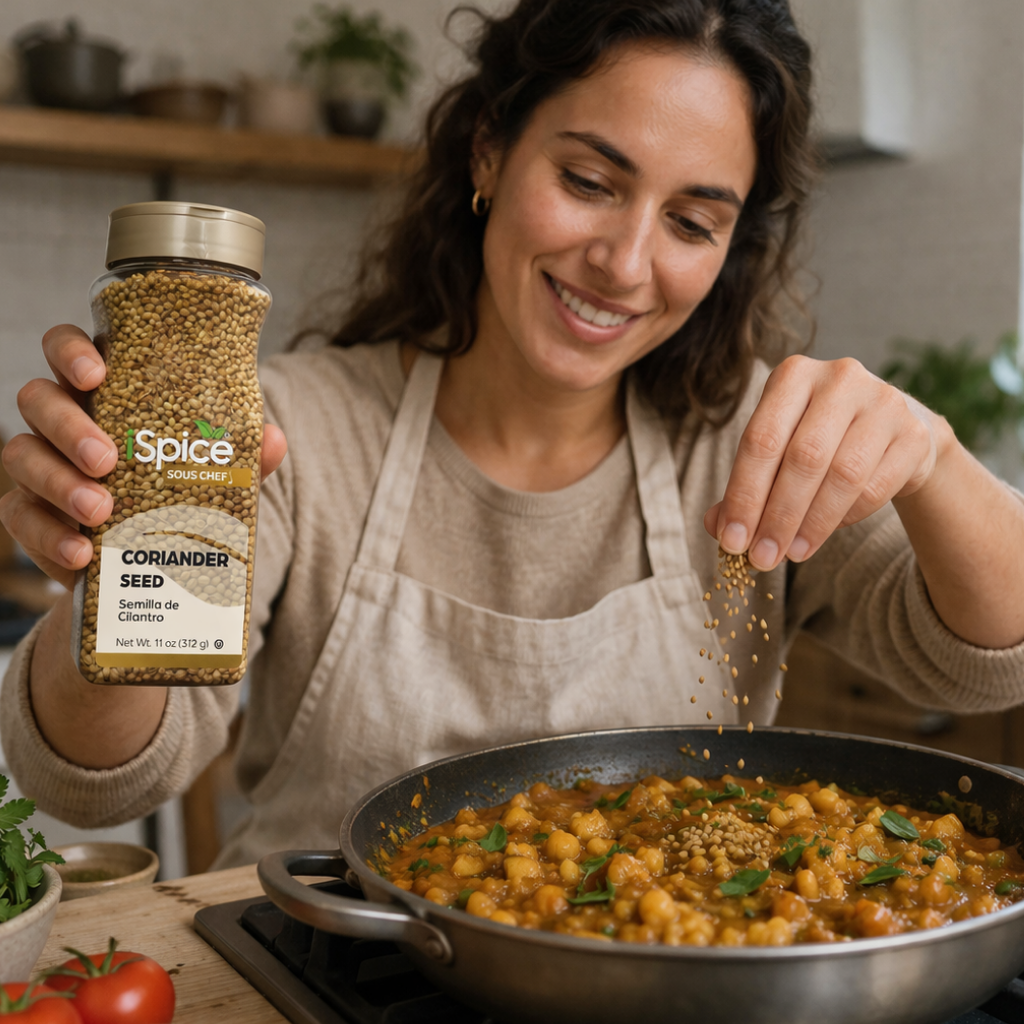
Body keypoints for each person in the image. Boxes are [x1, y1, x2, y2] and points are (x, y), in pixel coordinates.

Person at [2, 0, 1023, 868]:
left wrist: (930, 457)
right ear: (489, 150)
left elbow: (986, 664)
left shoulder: (751, 444)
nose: (625, 262)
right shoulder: (282, 431)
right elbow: (96, 785)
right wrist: (113, 565)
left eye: (692, 221)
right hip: (322, 972)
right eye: (588, 180)